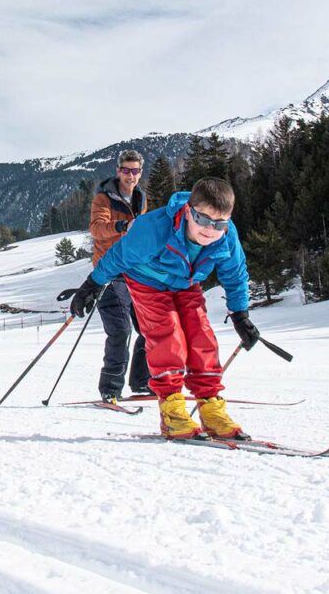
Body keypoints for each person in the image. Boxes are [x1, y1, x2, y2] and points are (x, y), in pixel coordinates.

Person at [65, 177, 260, 440]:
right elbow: (118, 256)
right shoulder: (155, 228)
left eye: (219, 223)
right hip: (147, 281)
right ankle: (172, 411)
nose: (210, 230)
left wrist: (240, 315)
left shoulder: (226, 237)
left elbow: (235, 274)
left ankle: (211, 407)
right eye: (203, 219)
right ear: (189, 211)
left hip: (185, 283)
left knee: (201, 336)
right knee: (168, 335)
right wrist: (92, 284)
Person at [88, 148, 151, 403]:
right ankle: (110, 389)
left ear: (140, 173)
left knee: (149, 327)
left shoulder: (140, 199)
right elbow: (96, 230)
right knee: (121, 331)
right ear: (118, 171)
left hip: (135, 272)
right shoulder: (103, 199)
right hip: (108, 272)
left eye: (135, 171)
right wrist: (122, 226)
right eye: (126, 170)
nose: (131, 176)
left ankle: (142, 381)